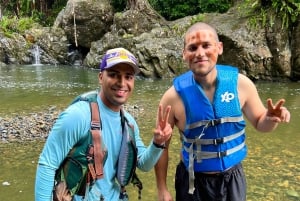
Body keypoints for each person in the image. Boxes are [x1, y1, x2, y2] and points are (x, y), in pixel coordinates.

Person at [154, 22, 291, 201]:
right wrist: (162, 189)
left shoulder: (241, 85)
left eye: (206, 45)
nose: (200, 53)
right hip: (192, 181)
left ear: (219, 48)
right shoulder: (172, 98)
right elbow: (161, 146)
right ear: (184, 54)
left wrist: (271, 118)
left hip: (232, 178)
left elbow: (260, 123)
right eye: (193, 48)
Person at [35, 47, 172, 201]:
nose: (122, 83)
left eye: (128, 76)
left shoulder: (129, 123)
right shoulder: (77, 116)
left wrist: (157, 143)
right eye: (114, 75)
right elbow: (47, 165)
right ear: (101, 77)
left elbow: (143, 164)